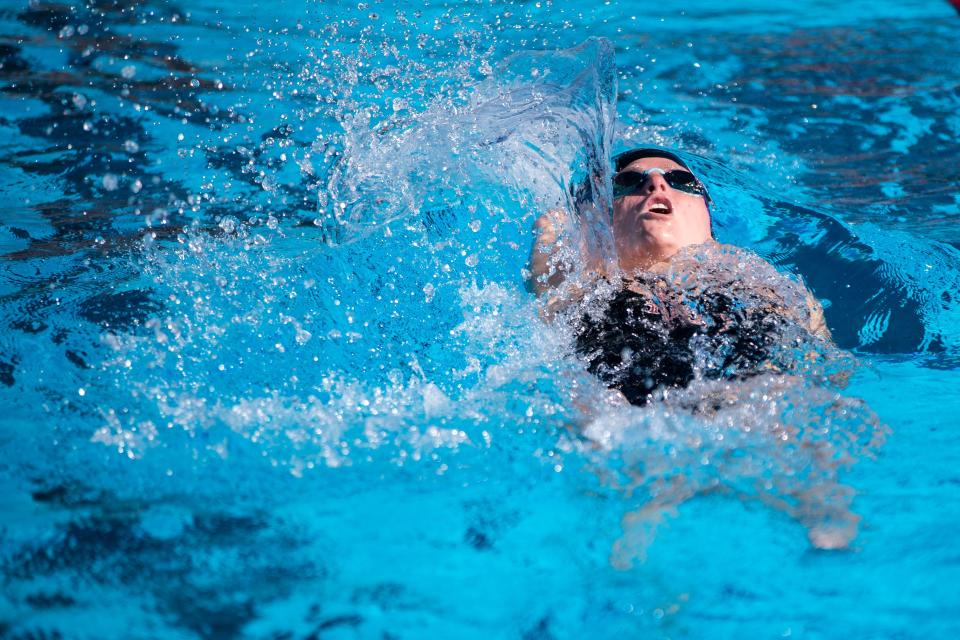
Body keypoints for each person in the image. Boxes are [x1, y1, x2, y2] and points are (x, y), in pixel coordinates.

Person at [529, 148, 832, 406]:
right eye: (630, 181)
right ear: (599, 222)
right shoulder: (589, 282)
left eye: (681, 181)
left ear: (707, 214)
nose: (657, 184)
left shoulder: (759, 280)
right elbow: (549, 262)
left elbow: (824, 370)